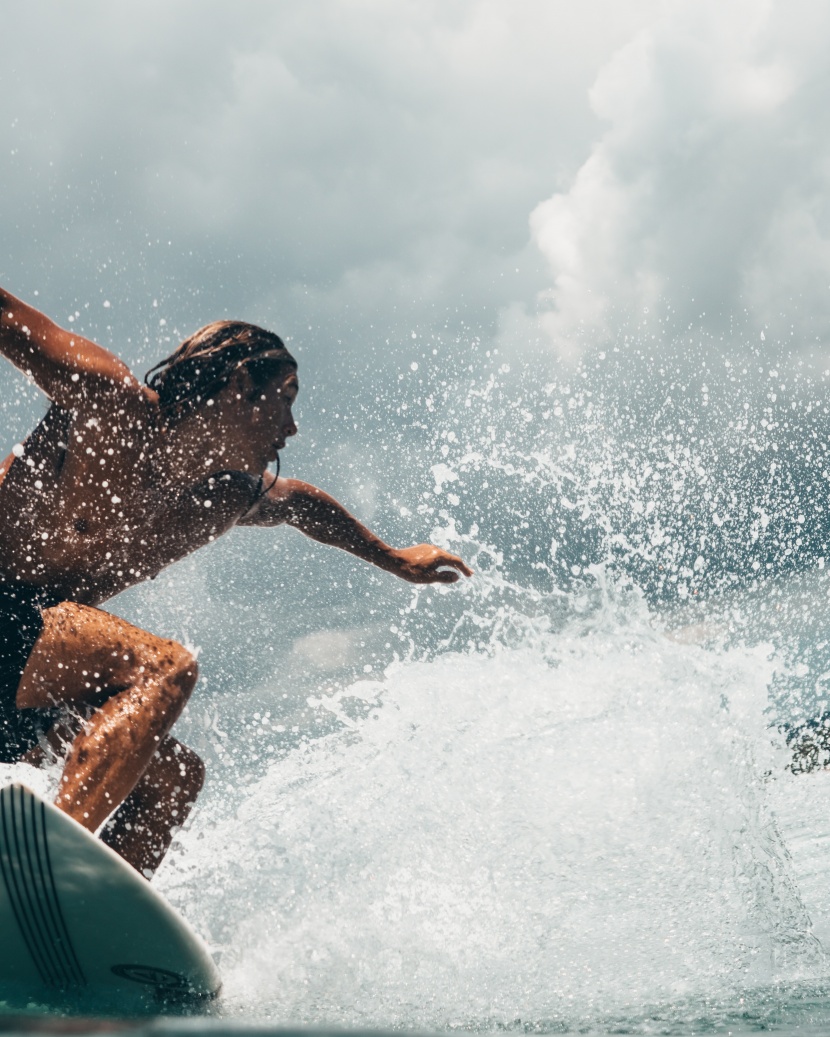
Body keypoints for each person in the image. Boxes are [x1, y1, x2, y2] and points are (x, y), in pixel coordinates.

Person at [0, 285, 472, 877]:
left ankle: (88, 926)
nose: (293, 427)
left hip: (24, 667)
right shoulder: (112, 407)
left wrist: (397, 560)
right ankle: (46, 872)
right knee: (165, 668)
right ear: (238, 384)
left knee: (174, 780)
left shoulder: (219, 498)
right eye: (286, 399)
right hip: (8, 619)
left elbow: (301, 505)